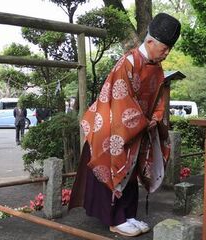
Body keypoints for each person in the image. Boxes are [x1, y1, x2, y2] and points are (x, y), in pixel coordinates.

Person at [69, 13, 181, 237]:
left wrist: (156, 119)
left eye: (169, 48)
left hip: (136, 130)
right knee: (115, 171)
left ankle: (128, 215)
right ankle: (116, 220)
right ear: (150, 42)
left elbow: (159, 100)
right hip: (111, 130)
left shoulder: (157, 68)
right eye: (165, 48)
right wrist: (143, 122)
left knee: (130, 174)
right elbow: (121, 100)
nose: (167, 52)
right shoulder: (127, 63)